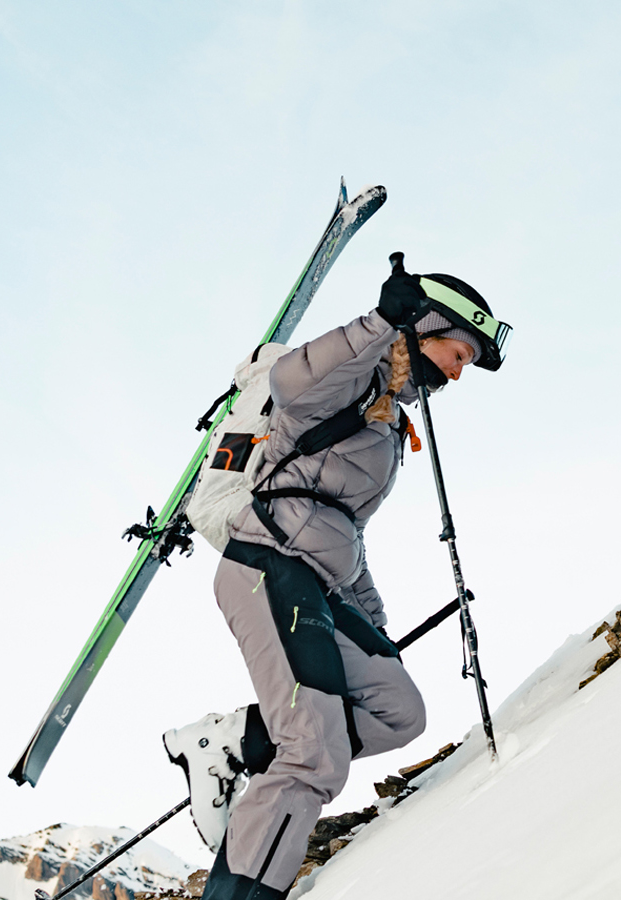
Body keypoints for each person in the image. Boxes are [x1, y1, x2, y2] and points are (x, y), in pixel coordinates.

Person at [162, 258, 509, 900]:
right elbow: (296, 381)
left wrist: (374, 625)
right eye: (458, 352)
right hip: (266, 564)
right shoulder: (348, 378)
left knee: (399, 710)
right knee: (313, 755)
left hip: (320, 583)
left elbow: (348, 535)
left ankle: (234, 741)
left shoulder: (385, 426)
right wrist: (381, 321)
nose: (459, 373)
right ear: (423, 329)